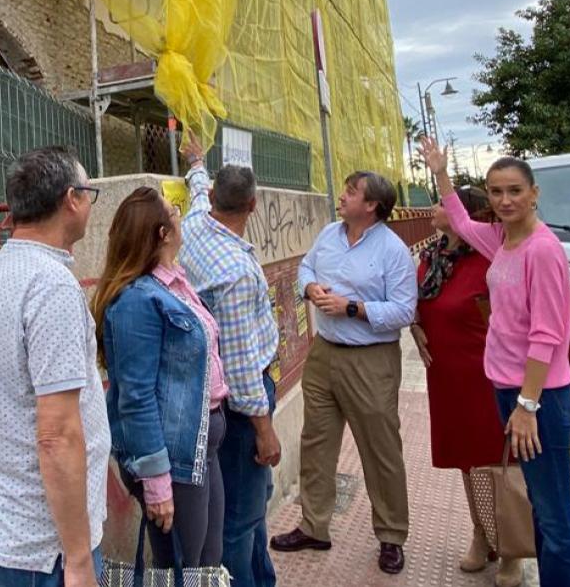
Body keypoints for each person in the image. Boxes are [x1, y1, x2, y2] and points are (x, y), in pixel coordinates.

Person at [419, 135, 570, 587]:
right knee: (539, 501)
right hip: (507, 390)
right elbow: (458, 217)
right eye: (496, 191)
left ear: (534, 193)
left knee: (555, 513)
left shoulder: (543, 250)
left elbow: (547, 336)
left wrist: (527, 406)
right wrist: (440, 172)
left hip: (539, 398)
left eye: (515, 190)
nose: (504, 200)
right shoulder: (501, 241)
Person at [0, 146, 110, 587]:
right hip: (46, 547)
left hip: (1, 524)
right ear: (71, 199)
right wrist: (79, 558)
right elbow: (56, 435)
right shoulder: (51, 286)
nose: (89, 205)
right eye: (88, 193)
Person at [271, 171, 418, 575]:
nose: (342, 196)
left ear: (371, 206)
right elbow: (306, 267)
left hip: (370, 360)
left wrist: (353, 308)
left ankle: (391, 535)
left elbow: (406, 310)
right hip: (324, 356)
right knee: (316, 442)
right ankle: (314, 525)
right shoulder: (330, 234)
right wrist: (310, 289)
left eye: (351, 192)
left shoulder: (392, 250)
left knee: (380, 449)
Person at [92, 186, 229, 568]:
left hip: (202, 446)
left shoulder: (176, 283)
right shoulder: (137, 300)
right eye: (175, 211)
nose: (181, 215)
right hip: (175, 458)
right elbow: (135, 397)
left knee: (206, 561)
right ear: (162, 234)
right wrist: (155, 482)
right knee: (184, 567)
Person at [178, 135, 281, 587]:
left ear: (216, 197)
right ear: (254, 206)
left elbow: (197, 188)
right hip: (242, 408)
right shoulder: (236, 273)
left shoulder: (197, 222)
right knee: (241, 516)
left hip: (211, 394)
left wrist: (196, 162)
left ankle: (262, 578)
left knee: (252, 507)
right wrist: (264, 428)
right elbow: (241, 367)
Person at [410, 187, 518, 585]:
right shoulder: (432, 258)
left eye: (441, 203)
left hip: (485, 373)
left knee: (496, 460)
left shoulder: (489, 258)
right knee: (466, 460)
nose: (434, 209)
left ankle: (511, 546)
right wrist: (415, 324)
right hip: (445, 374)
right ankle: (480, 532)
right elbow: (417, 303)